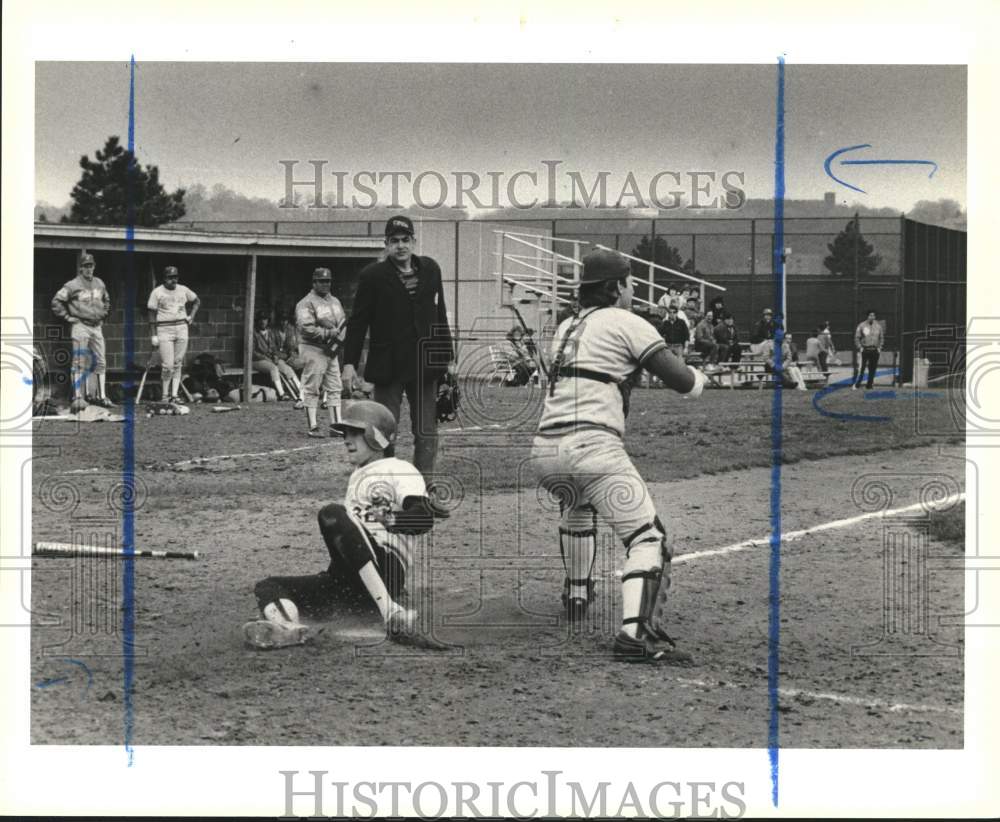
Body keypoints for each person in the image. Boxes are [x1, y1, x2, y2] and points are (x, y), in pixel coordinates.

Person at [530, 249, 708, 664]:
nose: (632, 290)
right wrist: (701, 377)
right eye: (628, 283)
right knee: (649, 538)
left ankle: (577, 594)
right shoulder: (626, 321)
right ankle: (636, 635)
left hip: (545, 451)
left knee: (578, 505)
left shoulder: (567, 325)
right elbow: (683, 382)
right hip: (592, 448)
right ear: (615, 287)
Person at [244, 401, 444, 650]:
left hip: (386, 569)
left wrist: (392, 520)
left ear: (377, 437)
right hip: (348, 585)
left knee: (331, 514)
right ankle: (288, 629)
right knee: (269, 586)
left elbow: (423, 518)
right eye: (345, 434)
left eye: (356, 433)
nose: (347, 440)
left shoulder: (400, 469)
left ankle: (392, 612)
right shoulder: (359, 475)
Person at [342, 215, 456, 477]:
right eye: (394, 241)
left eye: (405, 240)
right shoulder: (372, 276)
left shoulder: (431, 269)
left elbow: (440, 314)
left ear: (413, 241)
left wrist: (448, 357)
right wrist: (349, 363)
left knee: (426, 429)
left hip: (425, 364)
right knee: (383, 429)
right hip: (389, 365)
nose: (401, 246)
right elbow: (358, 322)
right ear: (386, 244)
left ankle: (424, 486)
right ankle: (386, 482)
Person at [51, 252, 113, 408]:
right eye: (85, 266)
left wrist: (103, 314)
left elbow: (107, 300)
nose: (88, 269)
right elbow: (56, 302)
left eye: (90, 265)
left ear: (94, 266)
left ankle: (101, 397)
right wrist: (67, 317)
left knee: (101, 361)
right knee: (79, 362)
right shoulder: (72, 285)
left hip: (96, 326)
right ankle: (77, 397)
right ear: (80, 268)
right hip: (81, 326)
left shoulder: (99, 283)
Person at [296, 267, 346, 437]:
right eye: (322, 281)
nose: (325, 284)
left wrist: (339, 333)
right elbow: (305, 328)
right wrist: (327, 332)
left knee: (335, 386)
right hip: (313, 347)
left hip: (331, 348)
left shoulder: (335, 301)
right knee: (313, 386)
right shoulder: (306, 302)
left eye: (328, 281)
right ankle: (313, 426)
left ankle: (336, 425)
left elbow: (342, 322)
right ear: (314, 282)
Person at [147, 265, 200, 404]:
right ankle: (165, 395)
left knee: (177, 363)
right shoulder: (157, 292)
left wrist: (192, 316)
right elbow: (151, 313)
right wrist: (153, 335)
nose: (173, 280)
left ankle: (175, 395)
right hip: (164, 328)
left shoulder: (183, 289)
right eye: (170, 277)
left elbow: (196, 301)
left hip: (181, 327)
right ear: (164, 278)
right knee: (168, 365)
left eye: (175, 277)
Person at [251, 312, 297, 402]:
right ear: (257, 321)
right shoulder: (253, 333)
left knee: (285, 367)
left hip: (269, 359)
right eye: (261, 320)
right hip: (256, 361)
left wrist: (275, 356)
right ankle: (282, 394)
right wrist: (266, 358)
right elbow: (252, 352)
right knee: (273, 368)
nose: (263, 322)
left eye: (265, 320)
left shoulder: (270, 332)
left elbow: (273, 348)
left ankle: (299, 391)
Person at [854, 309, 884, 390]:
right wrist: (860, 347)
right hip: (865, 349)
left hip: (875, 350)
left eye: (873, 315)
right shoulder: (861, 325)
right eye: (870, 315)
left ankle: (869, 385)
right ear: (867, 316)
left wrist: (880, 347)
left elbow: (881, 338)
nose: (872, 317)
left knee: (873, 368)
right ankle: (857, 384)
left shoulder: (878, 326)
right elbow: (857, 338)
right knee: (861, 368)